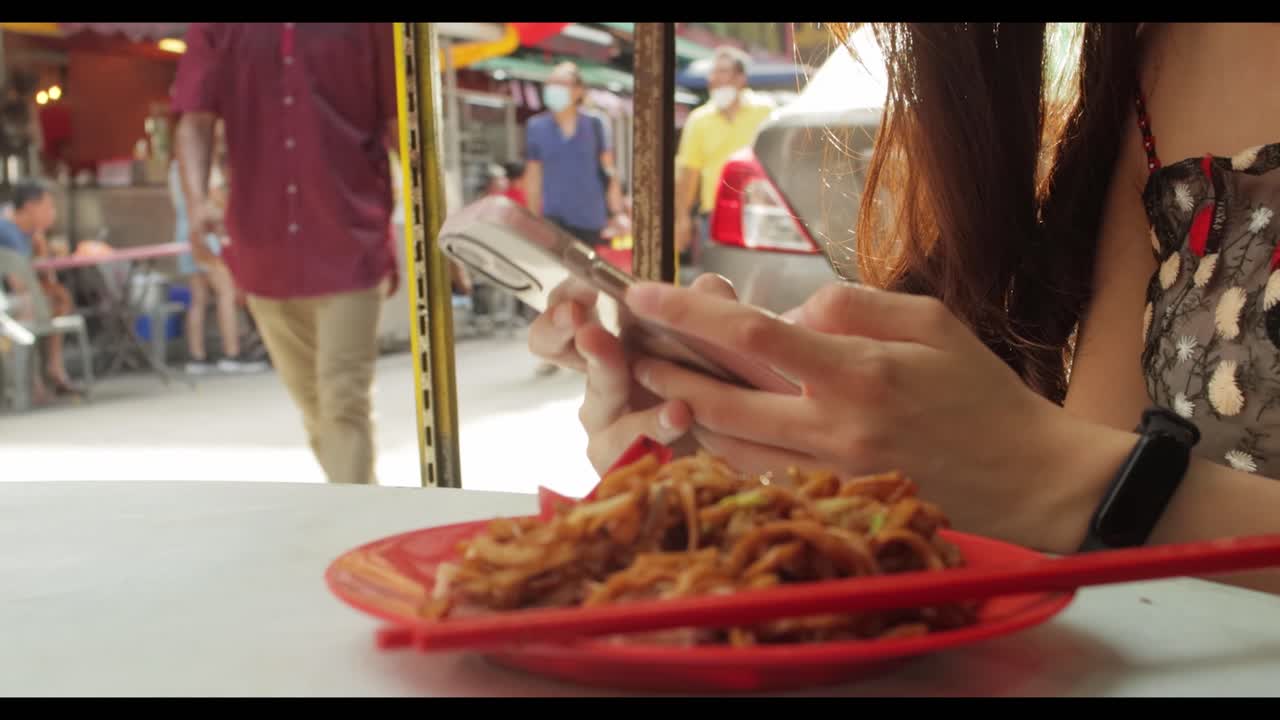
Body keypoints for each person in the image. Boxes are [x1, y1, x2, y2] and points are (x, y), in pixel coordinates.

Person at [529, 23, 1280, 595]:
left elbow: (1075, 478)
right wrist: (761, 462)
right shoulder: (1164, 52)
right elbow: (1102, 536)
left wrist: (1062, 477)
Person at [173, 23, 398, 486]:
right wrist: (196, 203)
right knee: (314, 406)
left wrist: (432, 215)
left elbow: (401, 121)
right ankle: (360, 503)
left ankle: (356, 524)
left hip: (350, 237)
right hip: (263, 246)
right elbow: (194, 118)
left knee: (343, 400)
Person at [167, 122, 264, 375]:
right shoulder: (203, 169)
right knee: (226, 292)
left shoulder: (175, 169)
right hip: (205, 235)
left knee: (198, 298)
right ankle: (232, 352)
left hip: (184, 233)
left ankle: (196, 357)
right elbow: (217, 200)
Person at [673, 46, 775, 264]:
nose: (715, 79)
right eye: (713, 73)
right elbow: (689, 172)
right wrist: (681, 219)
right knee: (717, 277)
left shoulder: (766, 111)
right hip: (715, 215)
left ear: (740, 78)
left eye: (723, 72)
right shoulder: (698, 120)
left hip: (758, 212)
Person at [524, 61, 623, 248]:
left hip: (590, 218)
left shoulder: (596, 124)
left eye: (561, 84)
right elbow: (533, 175)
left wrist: (617, 212)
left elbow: (609, 170)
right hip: (554, 216)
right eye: (551, 83)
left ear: (579, 91)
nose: (554, 89)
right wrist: (532, 217)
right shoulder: (536, 127)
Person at [0, 178, 80, 399]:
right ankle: (40, 375)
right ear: (29, 207)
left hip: (15, 301)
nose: (52, 213)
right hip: (10, 304)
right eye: (48, 207)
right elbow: (20, 284)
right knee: (57, 300)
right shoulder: (8, 232)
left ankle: (49, 370)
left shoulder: (19, 227)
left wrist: (40, 237)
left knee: (58, 299)